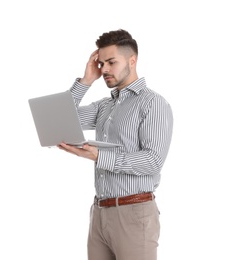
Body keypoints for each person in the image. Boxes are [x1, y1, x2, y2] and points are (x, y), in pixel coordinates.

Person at [58, 29, 173, 260]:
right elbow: (60, 119)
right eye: (101, 63)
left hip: (134, 213)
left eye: (111, 62)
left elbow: (152, 161)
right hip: (99, 213)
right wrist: (86, 80)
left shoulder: (153, 103)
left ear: (132, 60)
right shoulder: (104, 106)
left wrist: (99, 156)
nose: (105, 70)